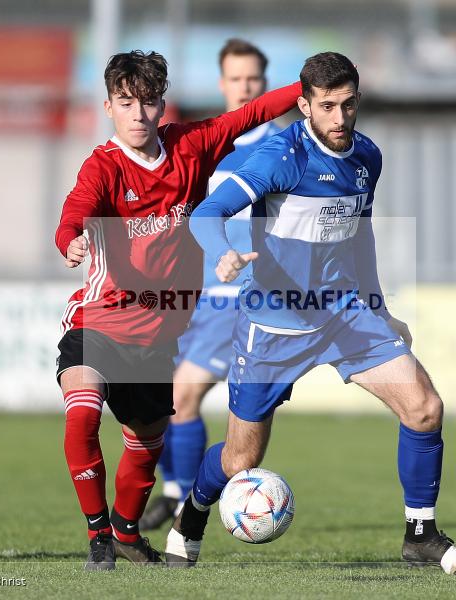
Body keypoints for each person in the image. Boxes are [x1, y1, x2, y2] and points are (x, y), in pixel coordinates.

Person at [164, 52, 456, 575]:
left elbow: (359, 237)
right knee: (241, 461)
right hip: (273, 322)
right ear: (305, 106)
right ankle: (192, 514)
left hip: (341, 312)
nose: (340, 118)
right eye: (328, 106)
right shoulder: (280, 157)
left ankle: (420, 533)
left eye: (348, 104)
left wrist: (379, 307)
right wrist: (223, 251)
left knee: (425, 408)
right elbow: (209, 212)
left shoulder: (367, 158)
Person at [55, 49, 300, 570]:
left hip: (157, 331)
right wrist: (71, 238)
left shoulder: (191, 146)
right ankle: (99, 534)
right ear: (108, 107)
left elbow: (250, 114)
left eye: (147, 103)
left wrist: (311, 88)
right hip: (99, 317)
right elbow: (76, 209)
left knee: (145, 442)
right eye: (127, 103)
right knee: (82, 414)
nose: (138, 115)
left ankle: (125, 532)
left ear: (161, 105)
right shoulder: (102, 166)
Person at [141, 38, 280, 532]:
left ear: (266, 84)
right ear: (222, 83)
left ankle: (184, 500)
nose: (245, 87)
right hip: (190, 295)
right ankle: (179, 491)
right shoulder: (206, 143)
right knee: (156, 398)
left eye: (254, 79)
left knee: (183, 395)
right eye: (236, 79)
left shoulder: (281, 147)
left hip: (239, 296)